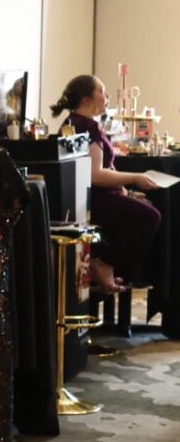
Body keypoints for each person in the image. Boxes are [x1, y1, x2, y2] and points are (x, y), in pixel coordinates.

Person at [51, 74, 161, 294]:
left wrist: (123, 187)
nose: (107, 95)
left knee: (144, 207)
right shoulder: (86, 126)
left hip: (91, 195)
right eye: (101, 91)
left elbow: (103, 168)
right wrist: (134, 178)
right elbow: (95, 174)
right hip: (93, 199)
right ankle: (103, 263)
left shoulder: (74, 122)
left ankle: (105, 266)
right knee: (150, 217)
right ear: (86, 99)